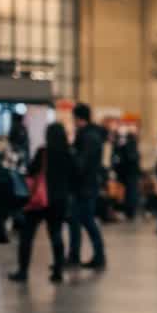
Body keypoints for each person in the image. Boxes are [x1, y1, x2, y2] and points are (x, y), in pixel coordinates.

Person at [9, 123, 75, 284]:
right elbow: (75, 177)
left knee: (27, 235)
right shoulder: (69, 154)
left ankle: (23, 271)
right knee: (56, 235)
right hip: (59, 201)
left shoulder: (43, 152)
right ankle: (57, 271)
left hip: (39, 200)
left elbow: (31, 171)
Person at [67, 103, 107, 270]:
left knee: (86, 220)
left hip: (84, 186)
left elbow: (82, 163)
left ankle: (99, 256)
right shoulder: (91, 134)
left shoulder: (88, 136)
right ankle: (75, 255)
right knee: (76, 220)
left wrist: (70, 154)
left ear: (78, 118)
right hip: (86, 185)